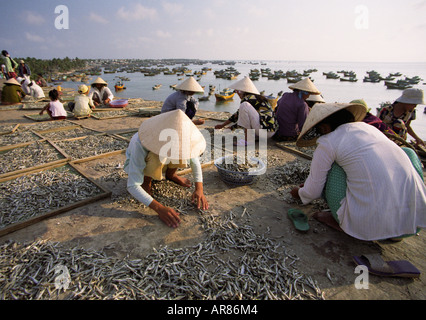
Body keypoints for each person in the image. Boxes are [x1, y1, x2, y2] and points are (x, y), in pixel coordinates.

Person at [290, 102, 426, 241]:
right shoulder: (369, 129)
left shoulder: (328, 141)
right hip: (413, 223)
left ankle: (343, 221)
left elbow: (313, 192)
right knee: (408, 152)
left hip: (369, 227)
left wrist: (298, 193)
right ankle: (395, 230)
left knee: (334, 168)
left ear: (324, 127)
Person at [124, 109, 209, 228]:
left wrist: (199, 189)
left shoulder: (180, 140)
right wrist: (159, 208)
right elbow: (132, 185)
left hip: (161, 163)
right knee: (155, 156)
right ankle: (146, 182)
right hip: (142, 165)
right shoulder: (140, 142)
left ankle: (171, 174)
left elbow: (194, 161)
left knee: (183, 153)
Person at [214, 76, 277, 145]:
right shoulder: (257, 98)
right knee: (244, 108)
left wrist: (223, 125)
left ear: (241, 91)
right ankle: (254, 137)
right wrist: (229, 127)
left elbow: (237, 116)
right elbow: (241, 117)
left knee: (244, 105)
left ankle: (248, 140)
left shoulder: (247, 99)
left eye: (236, 91)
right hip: (270, 131)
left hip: (264, 131)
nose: (236, 93)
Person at [273, 78, 321, 142]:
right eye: (308, 94)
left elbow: (278, 105)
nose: (308, 96)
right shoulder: (302, 104)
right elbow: (303, 126)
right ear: (303, 92)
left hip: (276, 133)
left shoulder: (285, 95)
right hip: (288, 135)